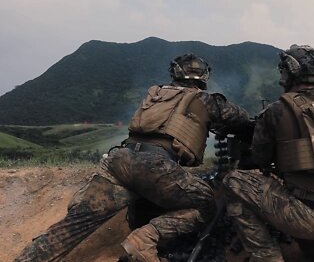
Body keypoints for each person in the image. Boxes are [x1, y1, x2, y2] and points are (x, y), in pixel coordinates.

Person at [14, 54, 250, 262]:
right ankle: (145, 239)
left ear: (175, 74)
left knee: (75, 224)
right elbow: (241, 119)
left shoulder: (157, 95)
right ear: (203, 77)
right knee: (205, 203)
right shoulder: (205, 100)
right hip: (155, 167)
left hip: (120, 160)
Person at [222, 44, 314, 262]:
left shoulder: (277, 110)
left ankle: (267, 257)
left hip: (307, 217)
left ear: (289, 72)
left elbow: (261, 159)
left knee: (234, 182)